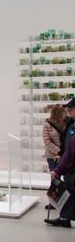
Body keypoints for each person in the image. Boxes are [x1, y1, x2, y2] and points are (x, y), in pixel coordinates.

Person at [47, 98, 75, 228]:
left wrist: (58, 170)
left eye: (70, 109)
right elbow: (67, 149)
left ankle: (64, 218)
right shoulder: (70, 124)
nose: (68, 112)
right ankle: (64, 218)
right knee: (69, 193)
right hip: (68, 168)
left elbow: (69, 153)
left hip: (70, 168)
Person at [43, 105, 65, 171]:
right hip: (52, 156)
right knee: (55, 175)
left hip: (64, 155)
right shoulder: (47, 125)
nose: (65, 113)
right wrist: (58, 151)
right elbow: (46, 141)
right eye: (63, 112)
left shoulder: (65, 123)